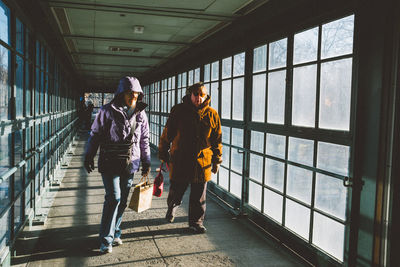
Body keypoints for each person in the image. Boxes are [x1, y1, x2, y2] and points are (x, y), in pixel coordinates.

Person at [84, 76, 151, 253]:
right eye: (130, 94)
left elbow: (144, 139)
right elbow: (95, 134)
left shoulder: (141, 113)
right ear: (121, 93)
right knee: (114, 197)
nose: (133, 98)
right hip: (109, 160)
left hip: (130, 162)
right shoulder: (107, 111)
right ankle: (106, 240)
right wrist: (89, 155)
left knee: (122, 201)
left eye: (136, 95)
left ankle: (115, 231)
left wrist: (146, 161)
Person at [158, 82, 222, 234]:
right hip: (181, 158)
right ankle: (172, 207)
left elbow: (217, 139)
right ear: (190, 95)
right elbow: (168, 133)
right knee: (177, 189)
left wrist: (217, 160)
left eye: (202, 95)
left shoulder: (212, 114)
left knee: (199, 195)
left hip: (202, 161)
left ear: (206, 96)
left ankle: (196, 223)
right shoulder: (178, 111)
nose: (198, 98)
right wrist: (163, 153)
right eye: (195, 94)